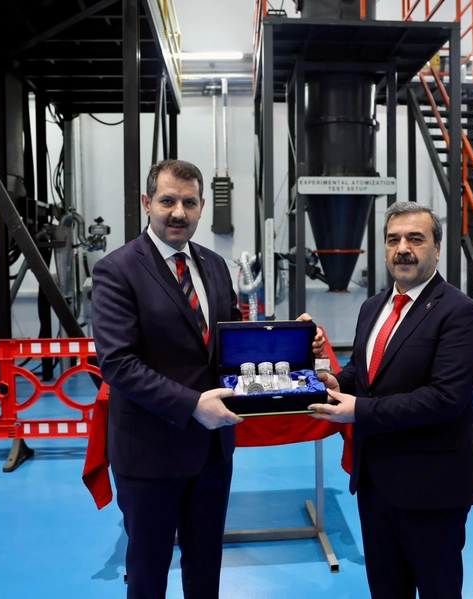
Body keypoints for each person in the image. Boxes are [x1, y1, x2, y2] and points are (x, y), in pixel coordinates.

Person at [91, 159, 322, 599]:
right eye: (167, 201)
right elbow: (118, 364)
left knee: (205, 564)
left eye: (189, 202)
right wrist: (192, 405)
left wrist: (292, 345)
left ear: (200, 207)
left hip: (212, 451)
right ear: (146, 203)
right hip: (150, 452)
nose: (178, 212)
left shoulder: (214, 265)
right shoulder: (117, 270)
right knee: (148, 571)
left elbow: (233, 346)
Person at [308, 201, 473, 599]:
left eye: (415, 239)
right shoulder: (373, 307)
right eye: (393, 239)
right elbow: (362, 371)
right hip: (375, 482)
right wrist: (335, 380)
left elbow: (446, 398)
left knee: (439, 589)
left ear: (436, 248)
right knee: (386, 589)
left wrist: (359, 410)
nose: (402, 248)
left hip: (431, 488)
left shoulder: (460, 313)